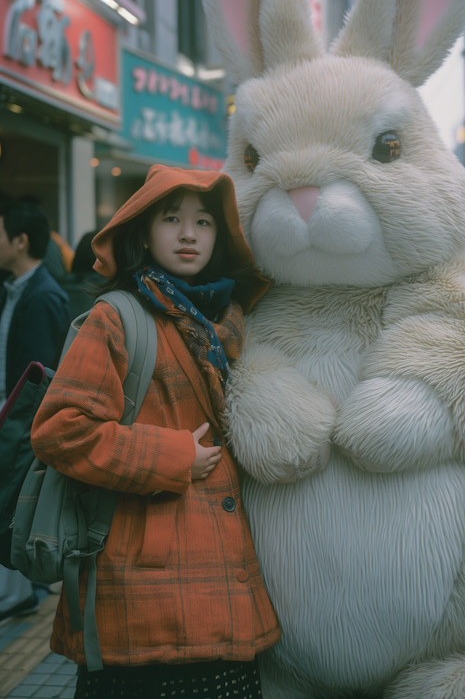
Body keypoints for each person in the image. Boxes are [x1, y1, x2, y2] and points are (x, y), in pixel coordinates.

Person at [30, 165, 279, 699]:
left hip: (227, 592)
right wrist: (171, 456)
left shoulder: (230, 323)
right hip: (145, 600)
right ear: (144, 231)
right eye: (172, 219)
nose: (189, 234)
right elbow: (59, 429)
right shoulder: (116, 318)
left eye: (204, 221)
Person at [0, 200, 70, 622]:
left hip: (22, 418)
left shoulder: (43, 296)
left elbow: (41, 377)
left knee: (13, 499)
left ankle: (19, 592)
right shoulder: (17, 287)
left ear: (20, 241)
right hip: (12, 412)